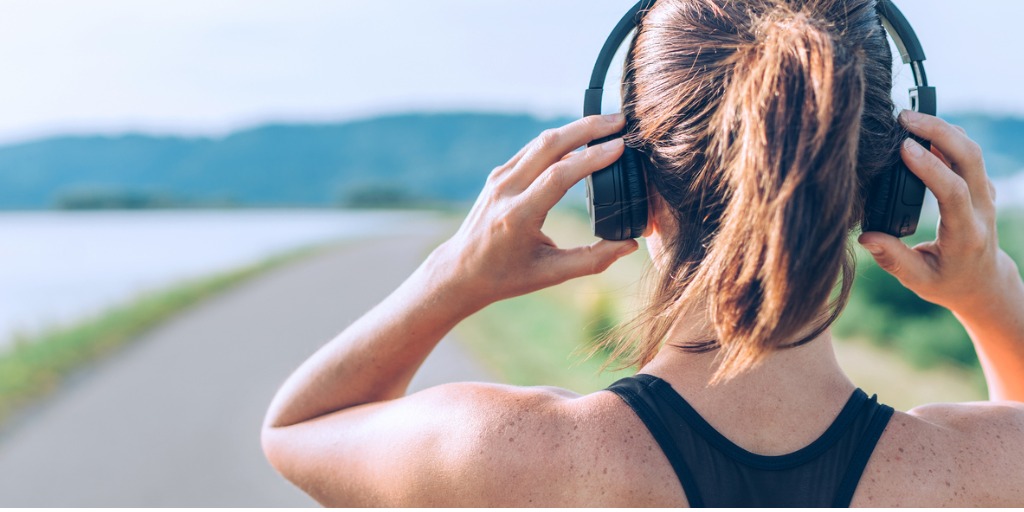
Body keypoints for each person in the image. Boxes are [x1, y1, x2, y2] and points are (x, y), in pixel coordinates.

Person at [261, 0, 1024, 506]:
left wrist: (452, 276)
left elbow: (297, 430)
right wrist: (991, 297)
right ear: (885, 188)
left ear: (624, 187)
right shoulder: (973, 473)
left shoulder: (511, 453)